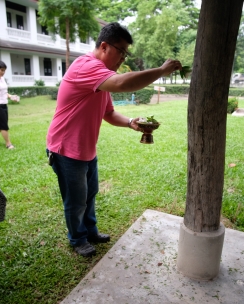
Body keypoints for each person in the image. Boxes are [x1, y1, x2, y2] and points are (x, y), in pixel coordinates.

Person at [46, 22, 182, 257]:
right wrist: (160, 71)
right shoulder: (86, 66)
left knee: (89, 194)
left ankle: (90, 231)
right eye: (121, 51)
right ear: (105, 46)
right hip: (66, 148)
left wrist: (130, 122)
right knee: (76, 200)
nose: (123, 57)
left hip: (86, 148)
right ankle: (77, 239)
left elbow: (108, 113)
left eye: (126, 53)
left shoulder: (101, 78)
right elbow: (122, 83)